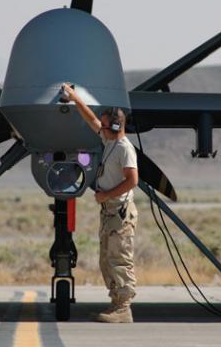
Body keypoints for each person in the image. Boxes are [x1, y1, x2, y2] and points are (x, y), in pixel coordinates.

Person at [61, 83, 138, 323]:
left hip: (119, 211)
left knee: (119, 260)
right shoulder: (109, 141)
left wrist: (106, 195)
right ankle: (115, 303)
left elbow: (132, 180)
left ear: (116, 126)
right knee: (107, 260)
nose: (100, 128)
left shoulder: (124, 149)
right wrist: (75, 99)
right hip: (109, 212)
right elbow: (92, 120)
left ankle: (124, 308)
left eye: (105, 125)